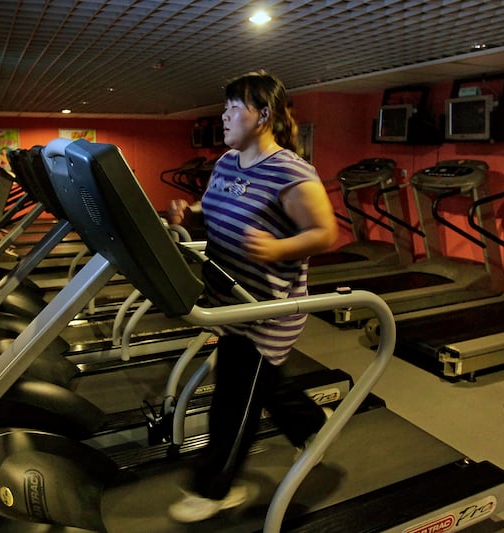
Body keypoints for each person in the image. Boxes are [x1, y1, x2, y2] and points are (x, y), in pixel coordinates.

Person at [167, 69, 339, 523]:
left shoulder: (291, 172)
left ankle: (213, 488)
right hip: (231, 298)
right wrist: (192, 212)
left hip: (268, 310)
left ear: (262, 116)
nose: (224, 117)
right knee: (263, 384)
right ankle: (311, 429)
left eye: (233, 108)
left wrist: (279, 247)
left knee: (235, 394)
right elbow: (218, 207)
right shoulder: (225, 164)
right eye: (223, 108)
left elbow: (325, 232)